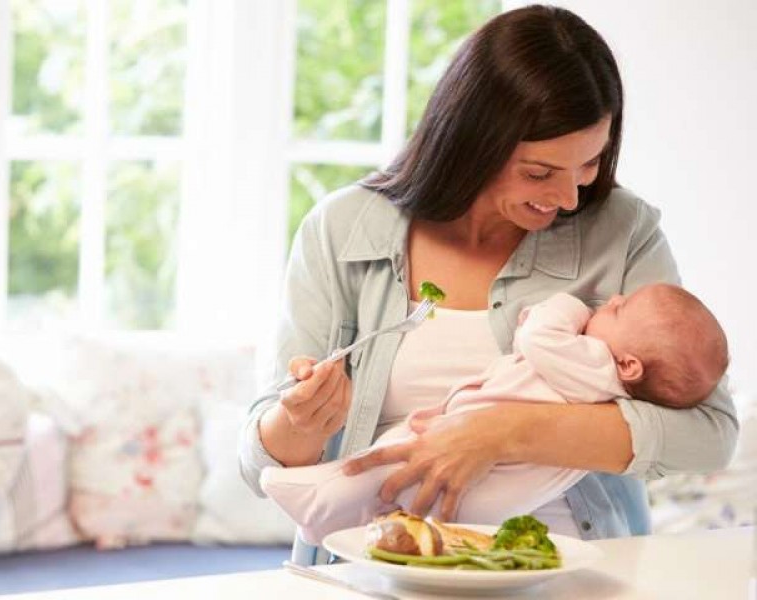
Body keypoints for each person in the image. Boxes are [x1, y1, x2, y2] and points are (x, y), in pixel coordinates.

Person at [237, 5, 738, 566]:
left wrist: (503, 432)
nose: (571, 198)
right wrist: (302, 422)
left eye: (589, 164)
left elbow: (709, 432)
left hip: (567, 569)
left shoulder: (622, 231)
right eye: (540, 172)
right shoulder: (343, 229)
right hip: (377, 567)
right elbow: (258, 466)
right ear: (471, 142)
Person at [259, 284, 729, 545]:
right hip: (507, 495)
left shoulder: (595, 362)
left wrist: (564, 304)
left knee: (385, 464)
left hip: (490, 467)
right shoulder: (612, 386)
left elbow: (540, 337)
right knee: (398, 492)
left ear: (629, 364)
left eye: (618, 309)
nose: (607, 302)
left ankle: (317, 503)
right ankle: (338, 516)